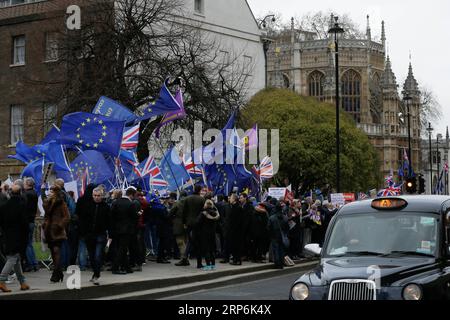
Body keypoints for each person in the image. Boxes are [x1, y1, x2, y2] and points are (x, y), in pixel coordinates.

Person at [0, 185, 30, 292]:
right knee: (13, 258)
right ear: (20, 193)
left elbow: (1, 222)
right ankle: (2, 280)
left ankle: (22, 282)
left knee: (16, 259)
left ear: (10, 193)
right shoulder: (21, 205)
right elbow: (24, 224)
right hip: (18, 236)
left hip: (7, 235)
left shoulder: (4, 206)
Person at [78, 187, 110, 285]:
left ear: (102, 196)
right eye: (95, 195)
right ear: (92, 195)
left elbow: (110, 221)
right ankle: (96, 273)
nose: (96, 197)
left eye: (98, 196)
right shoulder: (88, 206)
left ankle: (96, 274)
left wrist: (110, 234)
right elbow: (83, 219)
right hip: (89, 235)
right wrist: (83, 232)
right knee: (91, 256)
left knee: (97, 255)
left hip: (100, 234)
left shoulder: (106, 207)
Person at [41, 184, 70, 282]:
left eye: (52, 191)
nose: (49, 192)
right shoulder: (47, 203)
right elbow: (45, 209)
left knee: (56, 250)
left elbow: (67, 217)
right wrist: (42, 190)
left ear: (56, 193)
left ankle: (55, 274)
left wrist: (59, 225)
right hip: (49, 231)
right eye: (49, 190)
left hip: (57, 231)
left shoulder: (62, 203)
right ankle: (59, 273)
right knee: (53, 253)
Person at [110, 188, 136, 274]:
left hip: (116, 230)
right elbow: (133, 218)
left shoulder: (115, 202)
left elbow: (112, 217)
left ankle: (127, 267)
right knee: (122, 249)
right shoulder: (131, 204)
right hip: (126, 230)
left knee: (121, 249)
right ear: (131, 195)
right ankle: (115, 267)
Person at [178, 185, 205, 268]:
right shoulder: (202, 199)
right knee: (197, 243)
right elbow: (203, 212)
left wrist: (183, 223)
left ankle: (185, 257)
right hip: (198, 224)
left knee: (190, 241)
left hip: (189, 223)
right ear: (199, 190)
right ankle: (198, 263)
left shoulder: (187, 198)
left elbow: (184, 212)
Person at [196, 200, 220, 270]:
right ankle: (213, 265)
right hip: (212, 233)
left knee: (206, 250)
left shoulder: (203, 213)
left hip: (204, 233)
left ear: (205, 205)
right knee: (212, 249)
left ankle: (208, 265)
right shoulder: (216, 213)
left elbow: (197, 222)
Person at [23, 177, 39, 272]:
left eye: (25, 183)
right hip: (32, 220)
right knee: (30, 244)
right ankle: (35, 263)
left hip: (27, 221)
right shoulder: (34, 193)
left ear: (28, 184)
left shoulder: (27, 194)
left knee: (27, 244)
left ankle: (31, 264)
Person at [267, 203, 289, 269]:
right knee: (281, 249)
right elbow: (287, 227)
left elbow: (268, 227)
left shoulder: (272, 218)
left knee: (276, 250)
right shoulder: (285, 217)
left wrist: (270, 234)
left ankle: (277, 263)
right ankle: (281, 263)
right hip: (282, 236)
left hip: (274, 236)